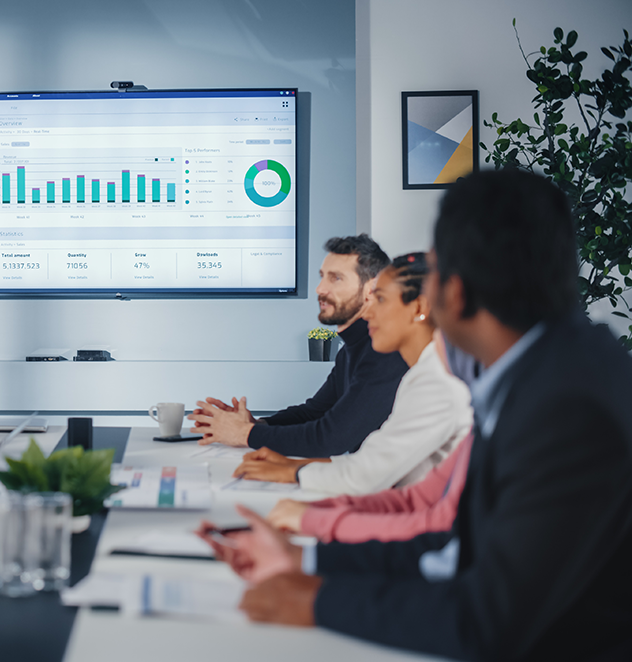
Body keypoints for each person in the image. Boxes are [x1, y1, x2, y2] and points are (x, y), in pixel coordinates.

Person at [203, 170, 632, 660]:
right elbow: (452, 543)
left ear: (454, 293)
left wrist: (316, 601)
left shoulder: (565, 409)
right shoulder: (545, 372)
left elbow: (486, 619)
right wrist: (309, 558)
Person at [231, 253, 472, 495]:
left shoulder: (437, 381)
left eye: (380, 299)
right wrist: (289, 463)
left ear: (418, 308)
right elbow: (371, 461)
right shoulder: (420, 372)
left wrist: (291, 471)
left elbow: (363, 472)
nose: (367, 313)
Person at [190, 235, 409, 457]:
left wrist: (245, 433)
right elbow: (314, 412)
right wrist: (258, 425)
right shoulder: (350, 351)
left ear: (372, 288)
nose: (320, 289)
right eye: (322, 277)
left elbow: (330, 438)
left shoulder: (385, 352)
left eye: (336, 278)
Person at [267, 433, 472, 543]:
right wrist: (320, 508)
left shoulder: (445, 385)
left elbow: (445, 528)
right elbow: (417, 498)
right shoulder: (481, 420)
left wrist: (315, 520)